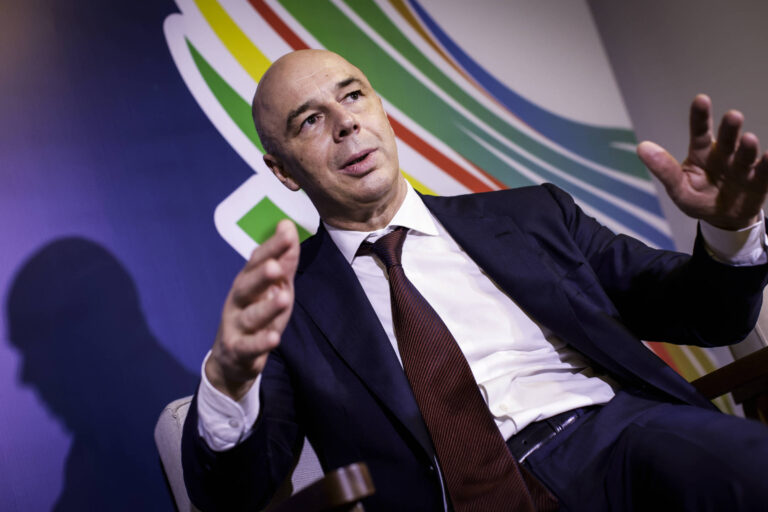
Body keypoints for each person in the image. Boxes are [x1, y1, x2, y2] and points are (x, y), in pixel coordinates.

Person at [182, 49, 768, 511]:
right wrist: (227, 382)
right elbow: (232, 495)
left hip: (621, 444)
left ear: (381, 109)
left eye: (353, 96)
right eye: (311, 120)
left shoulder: (532, 216)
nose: (346, 123)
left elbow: (707, 314)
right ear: (283, 170)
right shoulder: (285, 307)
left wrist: (730, 230)